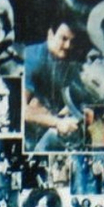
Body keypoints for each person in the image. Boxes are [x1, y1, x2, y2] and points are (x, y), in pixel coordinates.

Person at [24, 15, 92, 150]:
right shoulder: (33, 58)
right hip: (28, 135)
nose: (68, 46)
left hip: (52, 122)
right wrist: (58, 123)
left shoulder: (66, 57)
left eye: (72, 41)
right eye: (63, 39)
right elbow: (23, 111)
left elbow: (76, 94)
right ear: (50, 34)